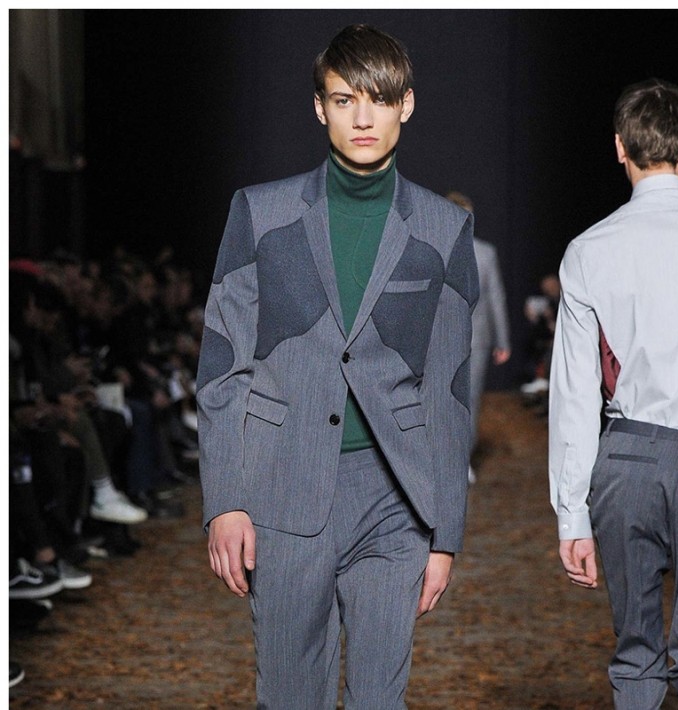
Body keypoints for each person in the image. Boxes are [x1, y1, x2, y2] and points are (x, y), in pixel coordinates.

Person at [197, 24, 479, 708]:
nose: (362, 118)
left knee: (380, 698)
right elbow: (223, 366)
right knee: (290, 695)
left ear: (406, 104)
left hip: (395, 499)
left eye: (378, 99)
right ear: (319, 107)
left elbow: (447, 392)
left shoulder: (444, 229)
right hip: (282, 488)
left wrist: (445, 534)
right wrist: (225, 500)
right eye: (345, 99)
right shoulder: (259, 214)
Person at [548, 78, 678, 709]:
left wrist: (571, 514)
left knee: (636, 654)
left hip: (628, 459)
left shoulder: (590, 250)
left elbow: (575, 395)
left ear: (620, 148)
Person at [445, 191, 511, 484]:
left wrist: (503, 340)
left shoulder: (482, 252)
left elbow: (495, 296)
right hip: (454, 340)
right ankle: (453, 460)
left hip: (463, 340)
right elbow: (496, 297)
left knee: (459, 401)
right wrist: (502, 341)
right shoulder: (437, 249)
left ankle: (459, 460)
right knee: (459, 402)